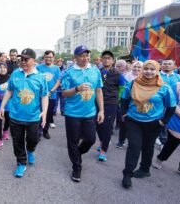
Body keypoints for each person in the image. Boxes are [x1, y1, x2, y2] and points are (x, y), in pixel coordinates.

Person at [120, 60, 176, 189]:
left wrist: (163, 121)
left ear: (157, 70)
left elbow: (171, 107)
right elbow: (124, 99)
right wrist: (124, 114)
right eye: (146, 69)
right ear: (142, 70)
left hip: (153, 123)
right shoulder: (133, 83)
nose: (148, 72)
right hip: (133, 121)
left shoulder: (164, 87)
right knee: (134, 146)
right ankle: (127, 174)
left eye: (152, 69)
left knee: (148, 147)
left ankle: (145, 169)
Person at [0, 48, 48, 178]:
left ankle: (30, 150)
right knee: (17, 142)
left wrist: (44, 112)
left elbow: (44, 96)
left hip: (33, 117)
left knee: (33, 139)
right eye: (22, 59)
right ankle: (21, 163)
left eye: (26, 59)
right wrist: (2, 106)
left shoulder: (40, 77)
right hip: (15, 116)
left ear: (34, 61)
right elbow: (9, 91)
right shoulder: (15, 74)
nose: (23, 62)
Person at [61, 45, 104, 182]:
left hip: (89, 113)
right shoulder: (69, 72)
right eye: (82, 55)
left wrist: (101, 110)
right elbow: (64, 93)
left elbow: (98, 91)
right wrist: (77, 89)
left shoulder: (95, 71)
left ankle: (76, 154)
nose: (85, 58)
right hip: (72, 113)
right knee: (72, 141)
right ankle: (76, 167)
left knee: (90, 139)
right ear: (76, 58)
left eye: (87, 55)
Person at [96, 50, 126, 161]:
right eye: (104, 58)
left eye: (109, 58)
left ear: (113, 60)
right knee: (97, 125)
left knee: (107, 127)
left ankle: (104, 150)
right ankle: (102, 142)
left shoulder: (118, 74)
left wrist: (117, 100)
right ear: (101, 59)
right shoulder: (97, 71)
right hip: (97, 102)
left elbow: (123, 88)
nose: (106, 60)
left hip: (110, 103)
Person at [117, 61, 143, 148]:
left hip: (139, 105)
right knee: (124, 122)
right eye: (135, 66)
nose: (137, 69)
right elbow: (123, 91)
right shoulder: (127, 76)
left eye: (139, 67)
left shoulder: (146, 78)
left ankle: (133, 142)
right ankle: (121, 141)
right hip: (127, 102)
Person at [157, 58, 180, 148]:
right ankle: (163, 141)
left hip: (174, 105)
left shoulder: (179, 77)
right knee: (162, 121)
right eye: (165, 63)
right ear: (161, 65)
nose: (167, 65)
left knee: (170, 122)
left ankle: (163, 137)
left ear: (174, 66)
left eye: (169, 64)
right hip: (160, 104)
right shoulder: (156, 75)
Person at [36, 50, 60, 138]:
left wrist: (51, 91)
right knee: (39, 113)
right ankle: (38, 132)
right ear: (44, 58)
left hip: (51, 95)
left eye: (50, 57)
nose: (48, 59)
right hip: (40, 96)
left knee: (49, 114)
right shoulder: (38, 67)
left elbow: (58, 81)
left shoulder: (56, 68)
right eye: (47, 57)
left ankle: (45, 130)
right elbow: (36, 80)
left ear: (53, 58)